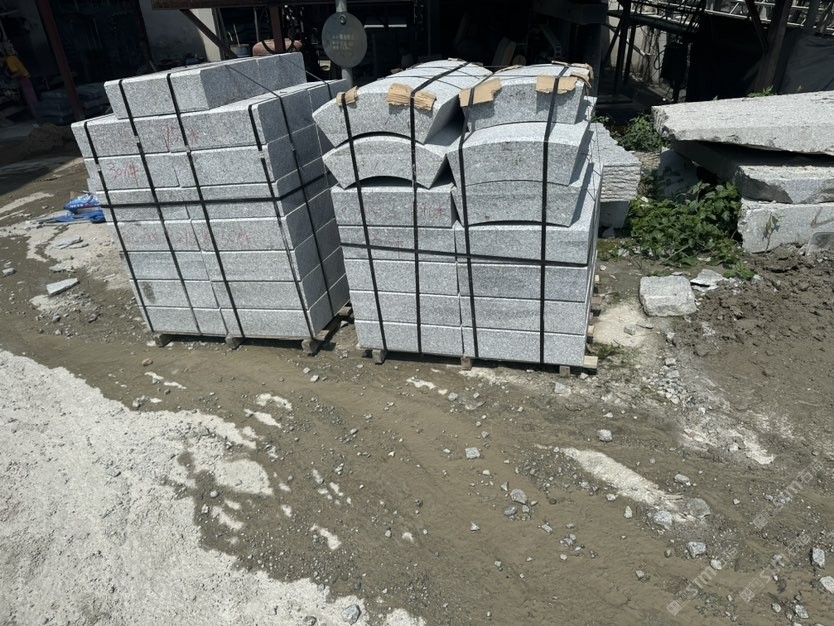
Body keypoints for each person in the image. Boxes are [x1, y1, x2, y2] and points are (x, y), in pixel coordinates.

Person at [2, 42, 38, 119]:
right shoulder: (12, 58)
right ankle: (36, 113)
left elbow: (18, 73)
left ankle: (36, 114)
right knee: (31, 97)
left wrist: (10, 77)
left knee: (30, 98)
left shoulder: (9, 61)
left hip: (24, 79)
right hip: (25, 78)